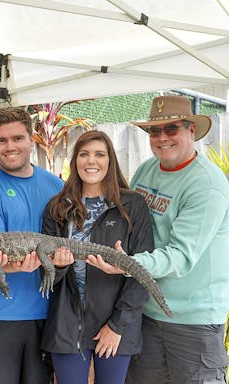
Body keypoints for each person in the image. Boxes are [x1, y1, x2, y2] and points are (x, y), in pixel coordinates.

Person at [86, 95, 229, 383]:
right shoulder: (146, 171)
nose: (162, 138)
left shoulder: (206, 186)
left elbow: (181, 257)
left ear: (191, 130)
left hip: (194, 319)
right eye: (155, 131)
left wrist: (126, 264)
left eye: (171, 129)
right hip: (147, 313)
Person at [40, 130, 153, 384]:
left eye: (99, 154)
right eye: (84, 154)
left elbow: (143, 271)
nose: (91, 161)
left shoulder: (132, 206)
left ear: (110, 161)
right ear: (75, 161)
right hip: (67, 325)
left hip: (114, 324)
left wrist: (118, 325)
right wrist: (56, 267)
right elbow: (46, 276)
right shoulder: (57, 207)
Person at [0, 107, 64, 384]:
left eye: (17, 138)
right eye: (1, 140)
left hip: (47, 314)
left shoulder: (56, 185)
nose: (9, 147)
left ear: (32, 138)